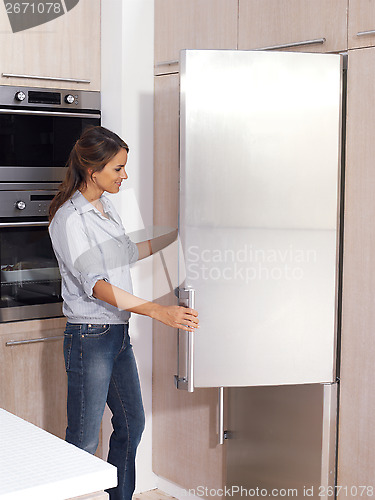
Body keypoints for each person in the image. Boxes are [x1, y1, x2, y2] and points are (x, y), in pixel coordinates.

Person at [48, 125, 199, 500]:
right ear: (92, 169)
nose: (124, 175)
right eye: (118, 168)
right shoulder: (70, 221)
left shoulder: (105, 206)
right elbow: (96, 285)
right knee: (83, 441)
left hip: (115, 334)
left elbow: (127, 252)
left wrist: (181, 233)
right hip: (89, 336)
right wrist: (158, 312)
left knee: (132, 425)